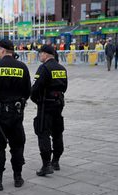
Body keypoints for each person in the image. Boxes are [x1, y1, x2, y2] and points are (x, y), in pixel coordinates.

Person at [0, 39, 31, 191]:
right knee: (17, 145)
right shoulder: (22, 67)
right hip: (16, 113)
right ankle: (18, 177)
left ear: (2, 50)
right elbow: (28, 91)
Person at [31, 44, 68, 176]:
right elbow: (64, 87)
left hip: (45, 105)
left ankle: (46, 164)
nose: (39, 55)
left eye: (40, 53)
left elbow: (34, 89)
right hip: (58, 104)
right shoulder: (62, 68)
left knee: (43, 133)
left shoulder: (44, 68)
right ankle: (56, 161)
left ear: (45, 54)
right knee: (57, 132)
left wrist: (38, 101)